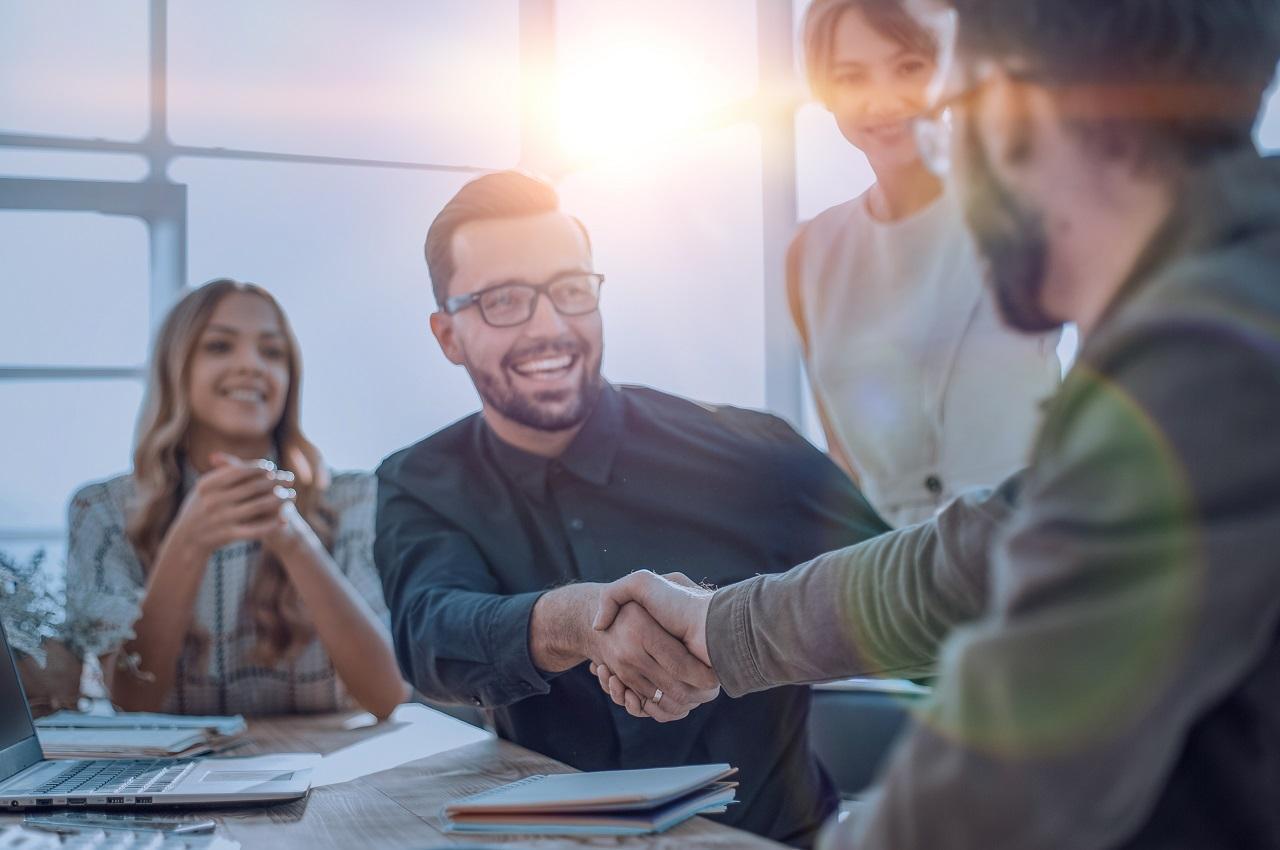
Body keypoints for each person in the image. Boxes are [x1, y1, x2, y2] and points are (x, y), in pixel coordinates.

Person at [591, 0, 1280, 846]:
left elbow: (996, 792)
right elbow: (982, 549)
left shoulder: (1211, 361)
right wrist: (720, 624)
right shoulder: (1223, 309)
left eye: (950, 113)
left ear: (1019, 113)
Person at [373, 171, 891, 847]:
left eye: (570, 290)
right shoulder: (420, 480)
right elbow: (430, 633)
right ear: (448, 336)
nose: (550, 327)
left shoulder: (754, 452)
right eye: (504, 301)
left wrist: (739, 633)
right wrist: (578, 620)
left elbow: (903, 594)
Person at [66, 280, 408, 718]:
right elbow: (130, 703)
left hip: (333, 772)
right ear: (176, 367)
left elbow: (387, 695)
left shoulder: (354, 498)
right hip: (171, 781)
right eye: (219, 346)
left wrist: (294, 540)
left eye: (272, 351)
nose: (251, 365)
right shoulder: (101, 511)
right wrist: (187, 543)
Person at [792, 0, 1060, 526]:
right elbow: (845, 465)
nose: (883, 99)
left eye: (908, 67)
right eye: (852, 76)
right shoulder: (811, 253)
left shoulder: (1024, 205)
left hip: (1037, 553)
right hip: (891, 581)